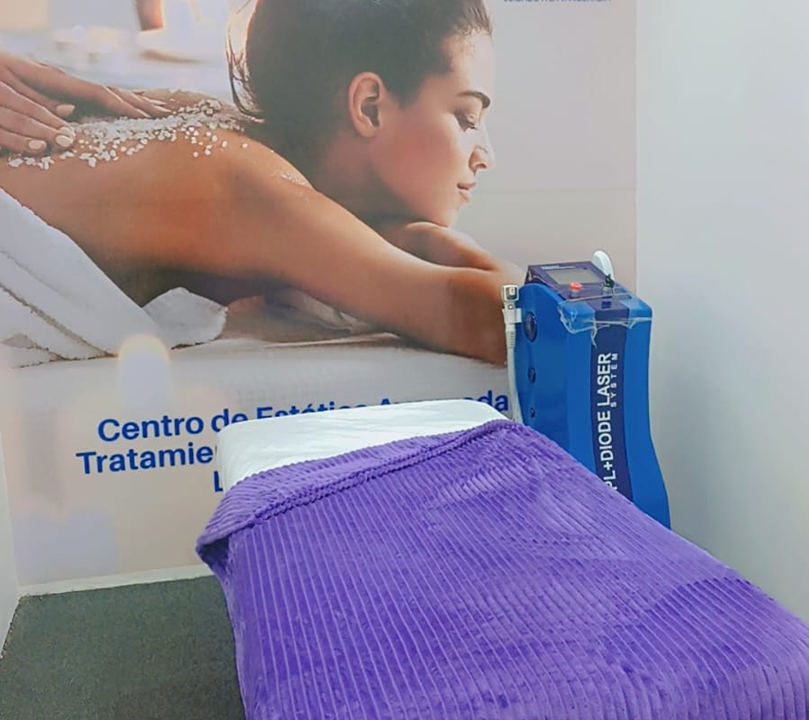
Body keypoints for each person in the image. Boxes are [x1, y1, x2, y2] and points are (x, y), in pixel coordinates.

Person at [0, 0, 523, 366]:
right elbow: (507, 321)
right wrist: (432, 242)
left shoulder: (210, 126)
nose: (487, 157)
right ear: (369, 106)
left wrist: (400, 237)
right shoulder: (247, 183)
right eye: (467, 117)